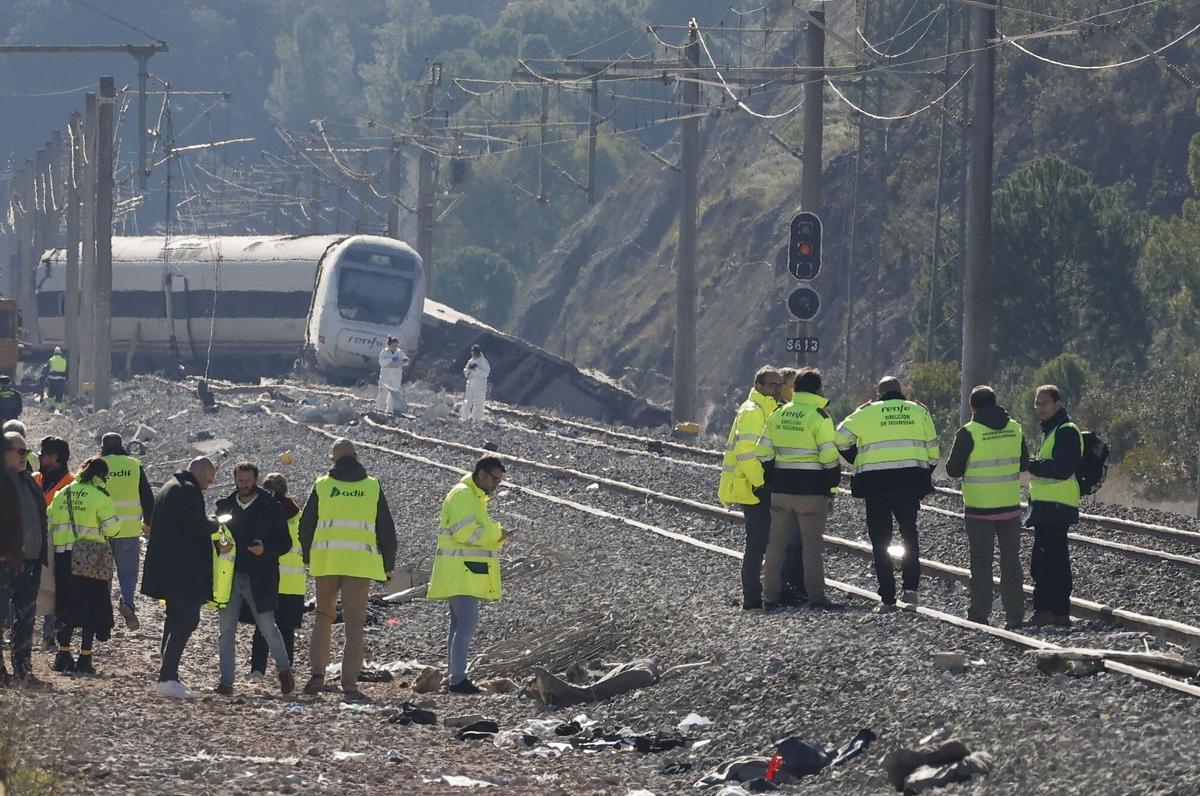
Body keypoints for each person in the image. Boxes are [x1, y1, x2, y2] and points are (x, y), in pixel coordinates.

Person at [299, 438, 397, 702]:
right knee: (355, 626)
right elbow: (386, 530)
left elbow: (305, 525)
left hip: (327, 561)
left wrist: (309, 555)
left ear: (333, 459)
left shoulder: (323, 485)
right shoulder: (372, 487)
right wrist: (388, 566)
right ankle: (350, 685)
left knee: (323, 616)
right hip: (359, 565)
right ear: (357, 456)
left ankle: (317, 676)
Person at [835, 376, 940, 612]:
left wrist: (857, 459)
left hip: (876, 486)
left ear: (879, 393)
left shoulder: (866, 413)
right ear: (900, 391)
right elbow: (933, 451)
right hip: (909, 485)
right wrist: (921, 472)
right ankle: (911, 590)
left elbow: (839, 438)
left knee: (880, 540)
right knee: (909, 534)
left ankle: (888, 598)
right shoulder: (919, 411)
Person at [755, 368, 841, 610]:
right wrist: (831, 488)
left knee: (776, 545)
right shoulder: (820, 417)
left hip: (781, 491)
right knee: (811, 545)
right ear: (817, 390)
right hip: (812, 493)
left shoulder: (778, 414)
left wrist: (774, 476)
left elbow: (762, 452)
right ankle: (816, 597)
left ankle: (770, 597)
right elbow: (829, 459)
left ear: (794, 389)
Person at [945, 386, 1029, 629]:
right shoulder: (1015, 428)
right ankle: (1015, 616)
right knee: (1011, 562)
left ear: (972, 407)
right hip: (1009, 507)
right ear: (995, 403)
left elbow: (953, 470)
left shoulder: (968, 433)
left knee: (981, 563)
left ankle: (979, 614)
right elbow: (1024, 463)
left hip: (979, 508)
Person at [141, 457, 225, 699]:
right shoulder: (188, 491)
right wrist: (214, 523)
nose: (207, 486)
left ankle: (168, 674)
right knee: (187, 621)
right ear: (199, 472)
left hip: (168, 569)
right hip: (184, 571)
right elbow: (195, 526)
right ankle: (167, 676)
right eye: (208, 480)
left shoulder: (169, 487)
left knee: (174, 619)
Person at [427, 456, 509, 693]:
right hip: (462, 572)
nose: (496, 484)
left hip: (462, 571)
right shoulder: (464, 495)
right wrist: (496, 533)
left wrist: (496, 535)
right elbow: (465, 533)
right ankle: (458, 679)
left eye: (499, 480)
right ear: (481, 474)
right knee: (467, 622)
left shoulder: (473, 497)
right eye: (494, 478)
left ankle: (455, 676)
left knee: (458, 624)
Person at [212, 462, 294, 696]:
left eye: (248, 480)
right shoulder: (225, 505)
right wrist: (219, 544)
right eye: (240, 480)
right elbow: (216, 534)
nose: (244, 484)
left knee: (268, 627)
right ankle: (226, 682)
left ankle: (284, 671)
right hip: (229, 577)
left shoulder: (270, 506)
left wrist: (265, 549)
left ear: (255, 480)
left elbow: (285, 543)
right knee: (226, 630)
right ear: (235, 480)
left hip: (261, 576)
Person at [46, 456, 120, 675]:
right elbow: (113, 529)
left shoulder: (62, 494)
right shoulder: (100, 497)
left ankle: (63, 654)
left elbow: (48, 520)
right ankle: (85, 658)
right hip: (90, 560)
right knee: (90, 605)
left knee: (65, 605)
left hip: (63, 557)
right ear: (101, 476)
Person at [717, 366, 782, 610]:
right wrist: (761, 483)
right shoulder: (753, 412)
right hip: (752, 488)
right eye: (772, 385)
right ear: (759, 386)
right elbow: (746, 453)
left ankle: (758, 595)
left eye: (778, 385)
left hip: (754, 486)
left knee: (761, 542)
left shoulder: (765, 410)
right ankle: (752, 598)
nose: (776, 389)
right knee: (757, 543)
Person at [1026, 384, 1083, 627]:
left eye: (1044, 403)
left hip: (1057, 505)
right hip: (1047, 505)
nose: (1040, 408)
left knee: (1047, 562)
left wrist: (1031, 465)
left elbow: (1061, 469)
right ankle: (1056, 612)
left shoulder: (1066, 430)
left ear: (1057, 404)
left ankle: (1049, 611)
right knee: (1051, 561)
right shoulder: (1050, 430)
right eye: (1037, 403)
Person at [245, 473, 305, 684]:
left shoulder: (264, 513)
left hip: (268, 579)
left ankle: (257, 671)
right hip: (294, 583)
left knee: (263, 628)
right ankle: (285, 672)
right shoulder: (299, 516)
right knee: (286, 630)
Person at [0, 431, 47, 684]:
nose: (24, 457)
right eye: (20, 451)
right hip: (5, 560)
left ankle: (23, 670)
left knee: (26, 618)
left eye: (27, 452)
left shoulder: (28, 480)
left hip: (30, 560)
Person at [99, 433, 155, 631]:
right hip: (129, 529)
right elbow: (147, 496)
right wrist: (148, 522)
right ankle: (128, 603)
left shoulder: (97, 464)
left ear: (103, 446)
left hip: (102, 530)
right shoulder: (133, 465)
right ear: (122, 445)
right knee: (128, 572)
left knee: (103, 573)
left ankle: (103, 611)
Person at [33, 437, 72, 648]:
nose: (39, 457)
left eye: (43, 454)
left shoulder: (71, 484)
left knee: (53, 589)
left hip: (58, 544)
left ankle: (49, 635)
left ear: (54, 457)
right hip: (31, 541)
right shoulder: (35, 479)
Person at [774, 367, 806, 605]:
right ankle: (783, 587)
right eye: (792, 386)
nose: (796, 391)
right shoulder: (778, 413)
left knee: (797, 541)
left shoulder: (797, 412)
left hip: (795, 483)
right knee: (789, 541)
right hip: (784, 484)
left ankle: (794, 585)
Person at [376, 336, 410, 416]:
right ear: (389, 345)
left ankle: (390, 411)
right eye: (393, 346)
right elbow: (382, 363)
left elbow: (406, 362)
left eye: (396, 346)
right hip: (386, 376)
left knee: (393, 393)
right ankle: (379, 409)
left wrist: (405, 360)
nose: (395, 347)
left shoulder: (400, 352)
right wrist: (391, 360)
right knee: (383, 392)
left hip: (396, 376)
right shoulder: (384, 352)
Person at [460, 344, 491, 424]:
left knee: (478, 403)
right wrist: (468, 369)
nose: (473, 354)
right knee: (467, 401)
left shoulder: (483, 362)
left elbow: (486, 374)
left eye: (474, 352)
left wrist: (476, 369)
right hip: (470, 384)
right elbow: (465, 372)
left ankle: (476, 420)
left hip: (480, 385)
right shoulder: (470, 361)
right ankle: (464, 418)